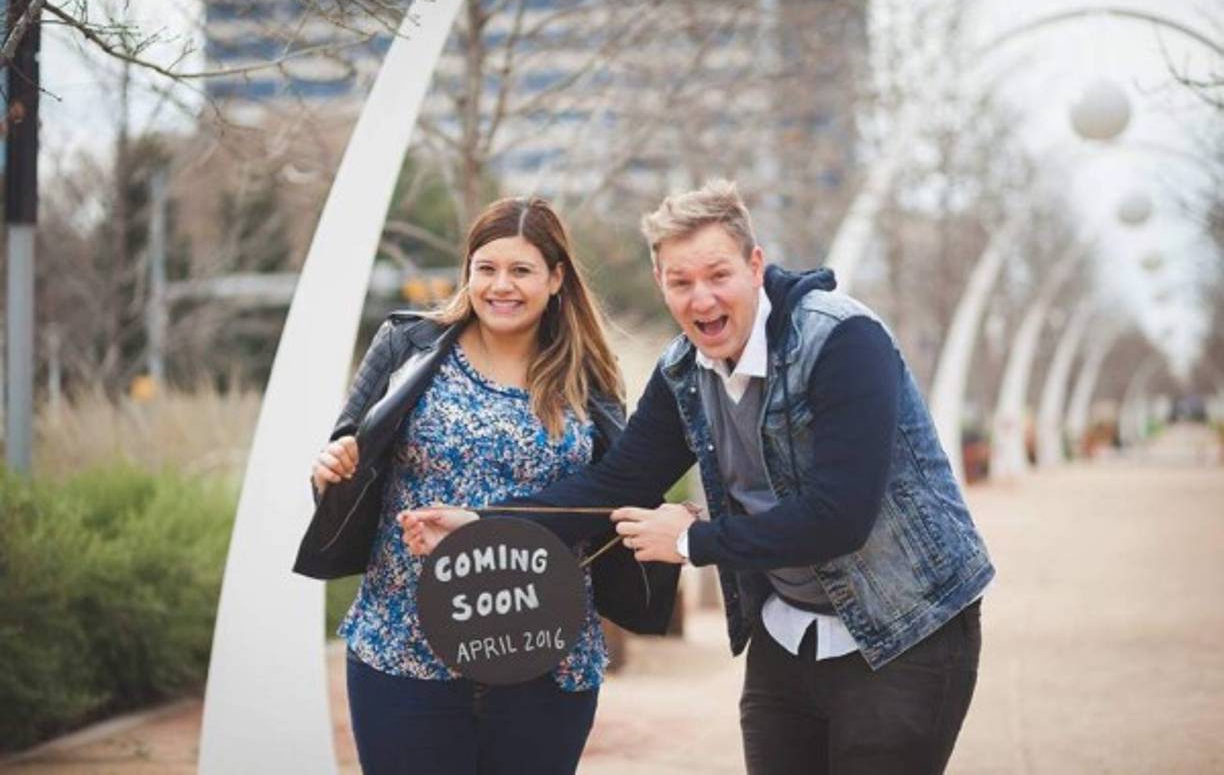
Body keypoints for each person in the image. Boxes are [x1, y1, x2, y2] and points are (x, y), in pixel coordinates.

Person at [404, 180, 995, 774]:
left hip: (907, 629)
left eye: (718, 275)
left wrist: (691, 541)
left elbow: (840, 516)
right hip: (787, 635)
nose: (701, 299)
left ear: (755, 266)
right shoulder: (684, 369)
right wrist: (483, 526)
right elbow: (616, 483)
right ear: (661, 283)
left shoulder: (841, 339)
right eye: (681, 282)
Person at [292, 196, 677, 775]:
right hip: (404, 647)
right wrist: (330, 472)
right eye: (486, 268)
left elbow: (611, 489)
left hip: (545, 653)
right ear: (467, 272)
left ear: (555, 278)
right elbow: (347, 462)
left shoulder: (589, 375)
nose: (502, 286)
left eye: (521, 270)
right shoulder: (406, 347)